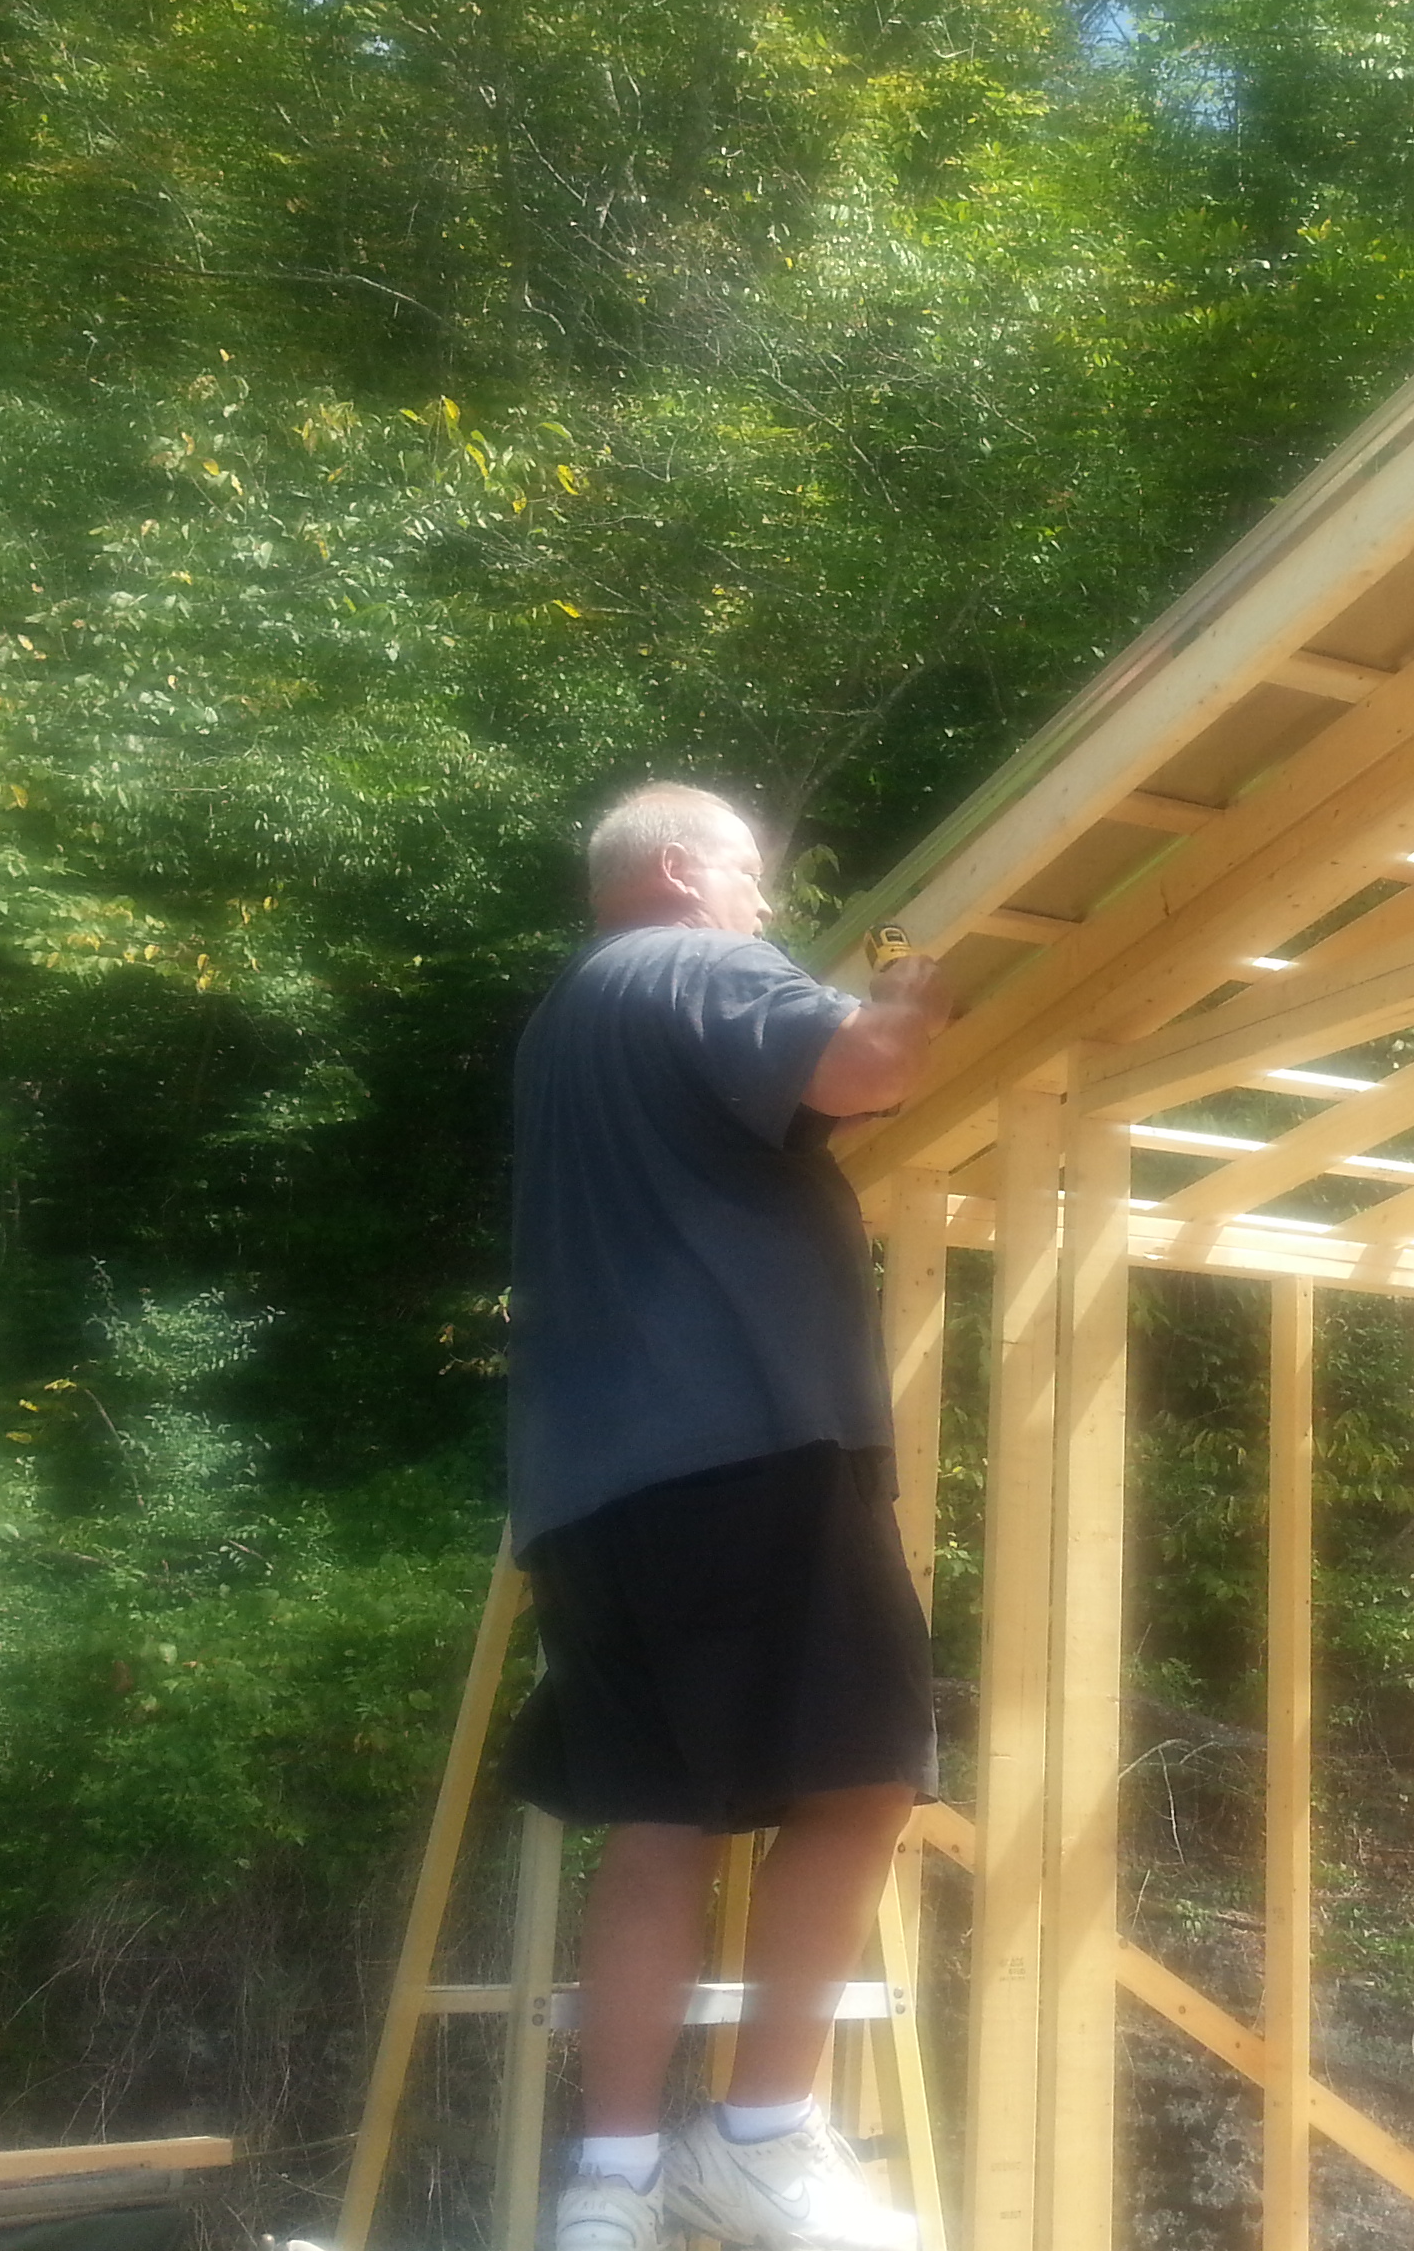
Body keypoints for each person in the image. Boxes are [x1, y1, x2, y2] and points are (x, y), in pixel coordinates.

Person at [504, 781, 952, 2251]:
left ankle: (613, 2181)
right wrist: (920, 983)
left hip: (591, 1487)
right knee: (863, 1778)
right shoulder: (692, 961)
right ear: (690, 871)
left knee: (661, 1819)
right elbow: (865, 1066)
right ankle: (759, 2141)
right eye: (756, 879)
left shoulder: (567, 1026)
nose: (767, 908)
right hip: (748, 1443)